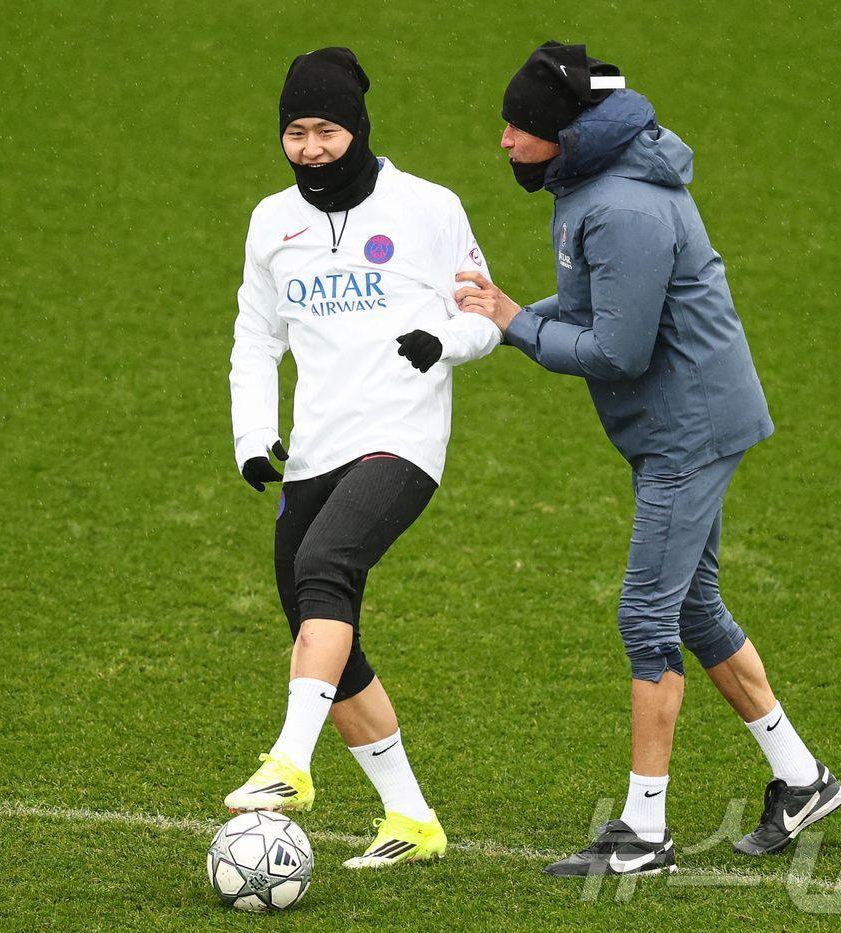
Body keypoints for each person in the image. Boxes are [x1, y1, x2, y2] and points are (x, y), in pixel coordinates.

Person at [456, 40, 841, 876]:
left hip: (687, 432)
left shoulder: (622, 206)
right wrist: (512, 310)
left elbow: (617, 348)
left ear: (563, 131)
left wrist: (517, 326)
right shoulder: (593, 185)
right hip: (684, 421)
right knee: (694, 604)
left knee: (646, 615)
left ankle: (643, 832)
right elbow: (600, 298)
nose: (505, 142)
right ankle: (802, 778)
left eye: (520, 127)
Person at [225, 47, 502, 868]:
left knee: (326, 564)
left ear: (360, 127)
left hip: (401, 437)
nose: (311, 149)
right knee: (327, 632)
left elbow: (487, 317)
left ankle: (289, 764)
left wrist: (440, 340)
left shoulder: (429, 207)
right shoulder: (271, 221)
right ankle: (411, 819)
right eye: (296, 132)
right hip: (315, 446)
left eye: (328, 130)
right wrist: (251, 436)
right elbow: (254, 339)